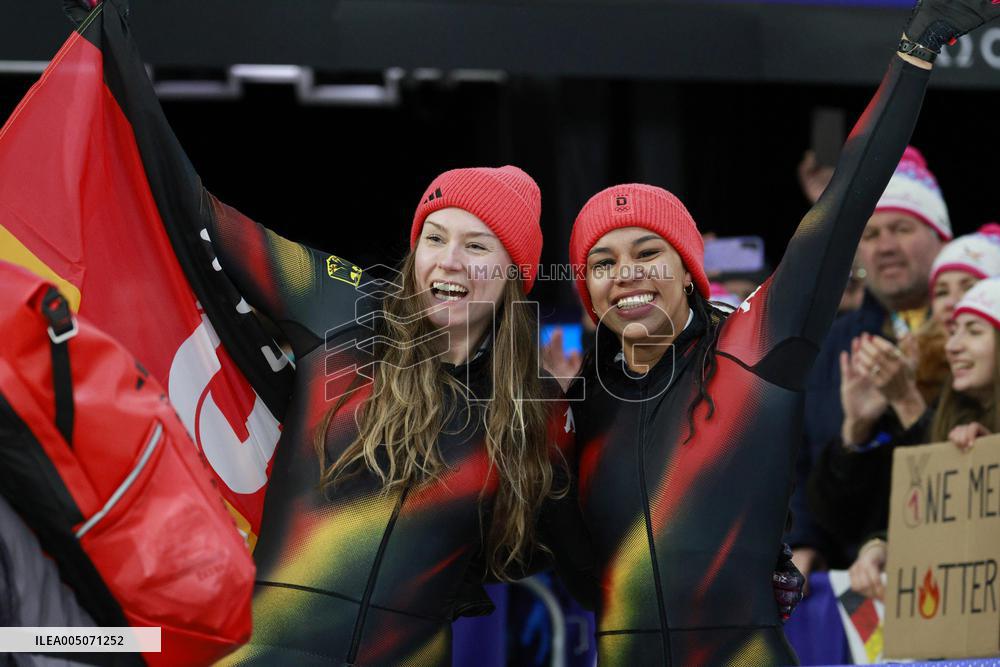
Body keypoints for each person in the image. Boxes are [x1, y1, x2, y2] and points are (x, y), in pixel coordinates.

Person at [562, 2, 1000, 663]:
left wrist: (920, 44)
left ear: (689, 273)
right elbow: (568, 563)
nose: (626, 274)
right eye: (601, 261)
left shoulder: (755, 346)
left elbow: (846, 198)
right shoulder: (578, 406)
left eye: (648, 251)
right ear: (587, 292)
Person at [207, 166, 588, 665]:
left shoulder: (538, 411)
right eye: (435, 238)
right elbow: (202, 215)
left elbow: (561, 553)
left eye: (476, 246)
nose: (449, 261)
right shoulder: (345, 307)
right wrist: (109, 88)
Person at [792, 144, 952, 574]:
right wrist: (805, 542)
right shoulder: (830, 347)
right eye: (870, 234)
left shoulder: (977, 337)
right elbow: (799, 460)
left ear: (942, 237)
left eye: (902, 228)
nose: (884, 247)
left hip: (960, 570)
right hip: (852, 581)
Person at [808, 228, 1000, 559]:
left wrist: (907, 402)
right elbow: (895, 510)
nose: (953, 305)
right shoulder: (920, 382)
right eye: (941, 292)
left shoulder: (911, 386)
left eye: (969, 289)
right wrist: (857, 429)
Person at [844, 276, 1000, 599]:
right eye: (954, 331)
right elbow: (933, 520)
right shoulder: (954, 415)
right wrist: (882, 545)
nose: (953, 346)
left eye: (973, 331)